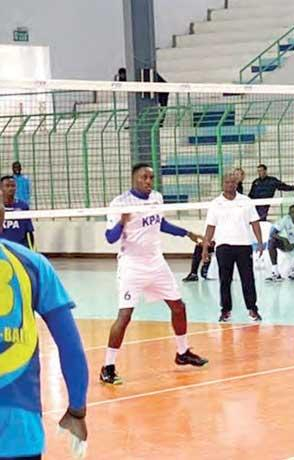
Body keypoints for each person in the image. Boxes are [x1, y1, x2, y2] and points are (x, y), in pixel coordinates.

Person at [100, 164, 208, 385]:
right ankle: (107, 366)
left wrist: (188, 234)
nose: (148, 181)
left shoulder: (157, 198)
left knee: (179, 307)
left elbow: (161, 224)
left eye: (151, 177)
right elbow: (110, 238)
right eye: (144, 177)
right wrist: (123, 220)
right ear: (134, 180)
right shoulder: (120, 203)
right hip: (132, 265)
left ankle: (182, 352)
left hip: (156, 262)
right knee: (125, 316)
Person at [0, 207, 89, 460]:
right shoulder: (33, 264)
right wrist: (77, 410)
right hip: (18, 425)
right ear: (3, 217)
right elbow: (71, 346)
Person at [201, 173, 264, 323]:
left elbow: (255, 222)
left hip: (243, 246)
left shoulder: (246, 201)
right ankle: (225, 310)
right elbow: (210, 227)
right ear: (222, 184)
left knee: (247, 279)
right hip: (224, 246)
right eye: (227, 182)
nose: (230, 185)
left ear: (237, 184)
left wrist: (260, 242)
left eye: (233, 182)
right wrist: (205, 247)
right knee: (225, 280)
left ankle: (252, 309)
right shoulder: (216, 203)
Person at [267, 204, 294, 281]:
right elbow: (272, 233)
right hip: (288, 245)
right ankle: (275, 272)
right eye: (292, 213)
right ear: (289, 214)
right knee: (271, 241)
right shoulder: (286, 219)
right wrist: (284, 239)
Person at [1, 175, 35, 248]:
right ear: (1, 188)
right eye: (7, 186)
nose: (10, 188)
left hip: (19, 249)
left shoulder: (23, 206)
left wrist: (30, 250)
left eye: (13, 186)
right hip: (2, 250)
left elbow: (29, 232)